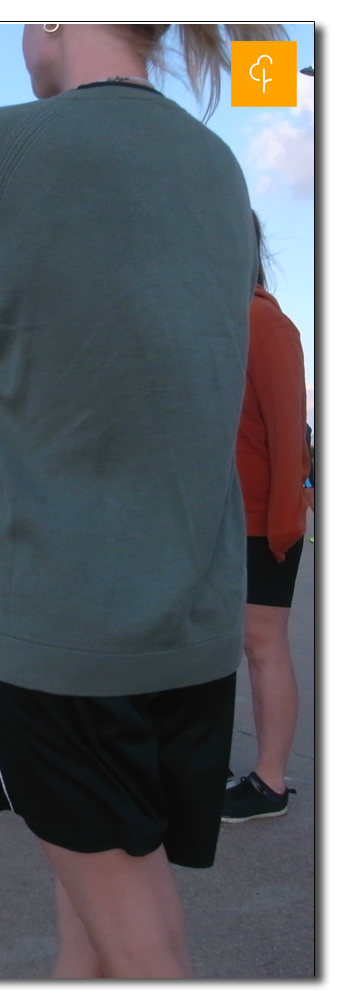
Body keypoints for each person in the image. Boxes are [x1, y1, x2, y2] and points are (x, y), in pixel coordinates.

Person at [0, 23, 286, 979]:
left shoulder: (6, 145)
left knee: (139, 929)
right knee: (96, 891)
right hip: (185, 611)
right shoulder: (214, 162)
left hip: (52, 608)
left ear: (52, 19)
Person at [222, 216, 310, 823]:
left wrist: (283, 529)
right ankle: (205, 766)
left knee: (262, 645)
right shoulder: (216, 322)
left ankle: (271, 781)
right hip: (214, 522)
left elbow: (288, 437)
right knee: (216, 647)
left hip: (260, 523)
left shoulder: (264, 321)